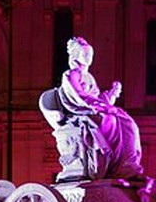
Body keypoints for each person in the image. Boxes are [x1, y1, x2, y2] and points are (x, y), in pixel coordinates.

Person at [58, 37, 144, 179]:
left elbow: (97, 98)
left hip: (94, 109)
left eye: (90, 54)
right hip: (81, 112)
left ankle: (126, 163)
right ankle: (112, 163)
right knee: (110, 120)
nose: (89, 57)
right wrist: (101, 106)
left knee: (129, 123)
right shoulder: (71, 74)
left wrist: (110, 95)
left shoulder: (89, 77)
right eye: (85, 54)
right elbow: (78, 96)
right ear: (75, 55)